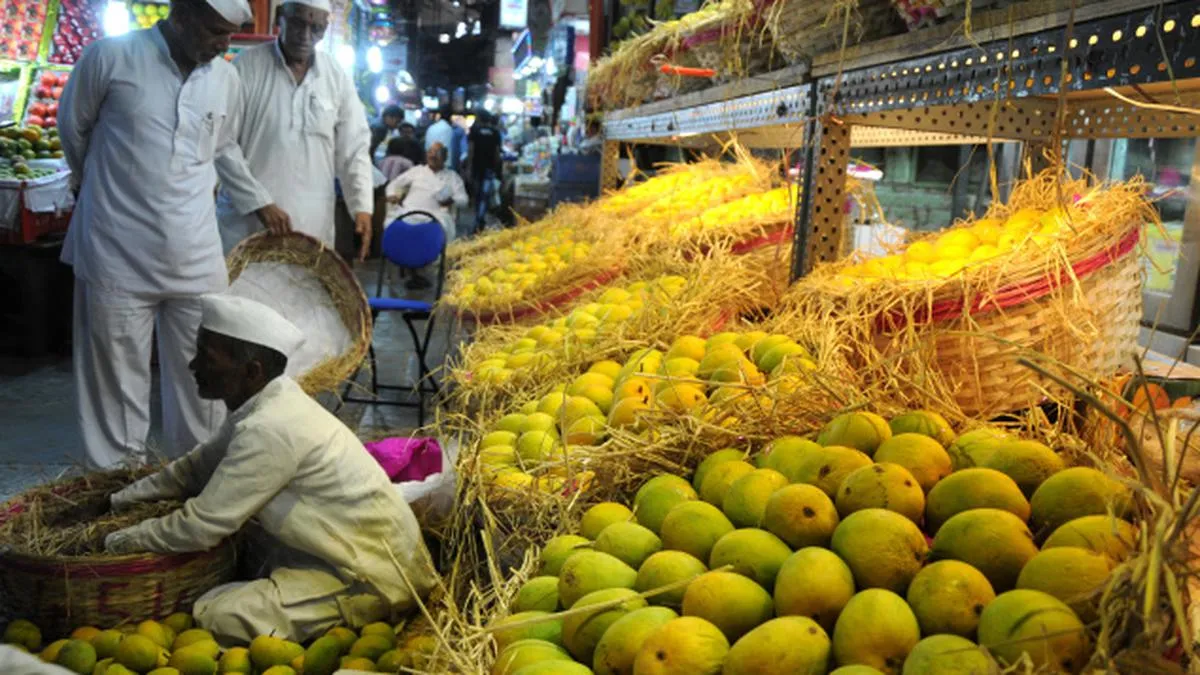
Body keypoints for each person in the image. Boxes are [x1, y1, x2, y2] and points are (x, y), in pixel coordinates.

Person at [104, 294, 439, 644]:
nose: (193, 366)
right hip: (349, 553)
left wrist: (115, 542)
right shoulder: (266, 406)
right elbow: (194, 469)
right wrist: (118, 501)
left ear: (251, 372)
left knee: (214, 614)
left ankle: (361, 615)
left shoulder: (270, 428)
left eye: (206, 357)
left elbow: (201, 526)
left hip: (372, 577)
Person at [58, 0, 257, 468]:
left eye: (230, 33)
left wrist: (257, 200)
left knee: (206, 375)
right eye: (215, 32)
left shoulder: (226, 79)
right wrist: (111, 191)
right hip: (114, 249)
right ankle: (116, 489)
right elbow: (74, 131)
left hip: (195, 253)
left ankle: (194, 478)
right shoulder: (110, 57)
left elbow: (222, 147)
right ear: (182, 13)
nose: (224, 44)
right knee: (115, 381)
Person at [215, 0, 373, 257]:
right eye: (298, 23)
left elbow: (354, 147)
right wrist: (259, 202)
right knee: (243, 296)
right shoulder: (245, 68)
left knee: (302, 294)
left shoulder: (335, 76)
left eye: (317, 28)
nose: (306, 36)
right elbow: (222, 142)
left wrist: (361, 207)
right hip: (248, 227)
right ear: (280, 19)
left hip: (311, 229)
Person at [385, 142, 467, 242]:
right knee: (391, 223)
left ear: (445, 157)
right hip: (409, 212)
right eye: (430, 152)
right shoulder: (417, 171)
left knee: (444, 227)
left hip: (436, 216)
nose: (433, 156)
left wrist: (452, 201)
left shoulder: (452, 177)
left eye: (437, 153)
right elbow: (393, 184)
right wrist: (392, 195)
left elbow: (464, 200)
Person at [466, 111, 502, 234]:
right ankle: (480, 219)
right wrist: (496, 168)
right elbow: (497, 153)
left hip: (477, 167)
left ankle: (478, 219)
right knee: (485, 195)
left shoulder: (474, 131)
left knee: (477, 194)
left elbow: (471, 150)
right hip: (489, 168)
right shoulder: (495, 132)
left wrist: (469, 168)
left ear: (480, 118)